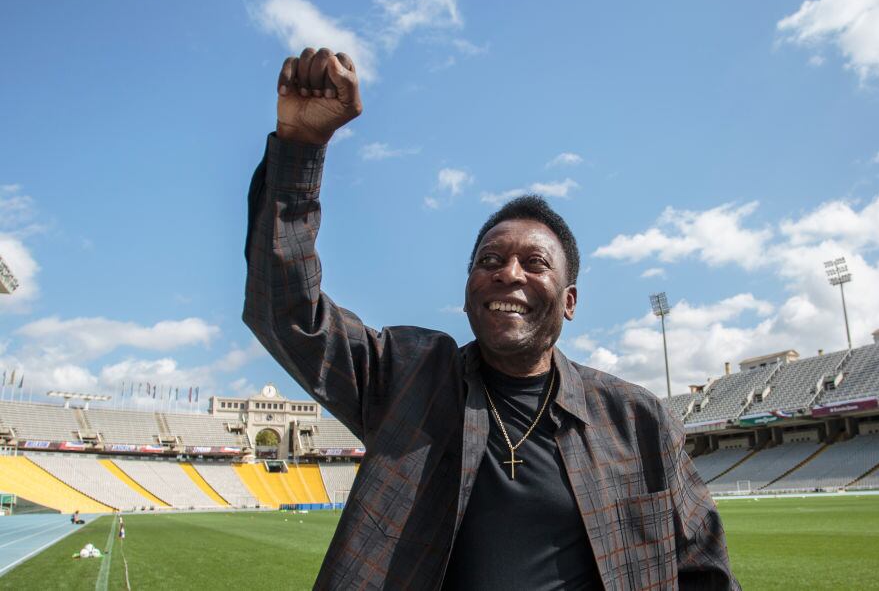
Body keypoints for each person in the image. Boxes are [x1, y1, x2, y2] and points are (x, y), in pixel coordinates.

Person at [244, 47, 739, 590]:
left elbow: (703, 573)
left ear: (569, 302)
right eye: (489, 261)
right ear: (467, 291)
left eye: (534, 263)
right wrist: (300, 149)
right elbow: (288, 312)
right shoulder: (407, 378)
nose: (508, 274)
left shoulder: (637, 420)